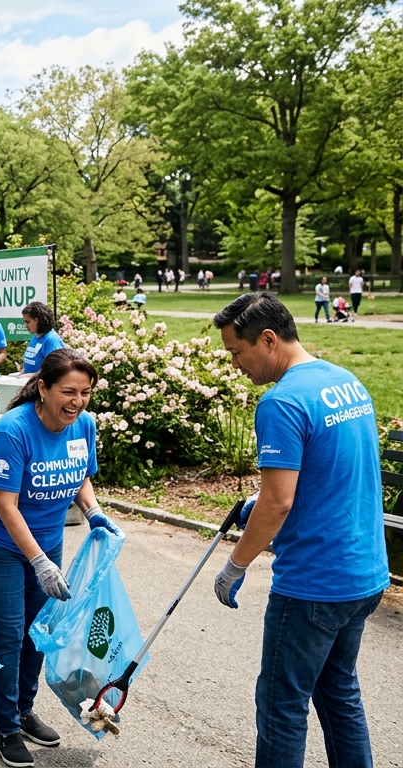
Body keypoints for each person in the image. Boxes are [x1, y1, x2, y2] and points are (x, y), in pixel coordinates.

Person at [210, 293, 387, 768]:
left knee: (281, 706)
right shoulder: (344, 381)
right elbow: (333, 470)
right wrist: (262, 502)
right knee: (338, 693)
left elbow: (278, 502)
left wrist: (235, 565)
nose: (235, 364)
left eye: (237, 351)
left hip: (314, 585)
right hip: (364, 574)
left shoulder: (281, 402)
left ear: (268, 340)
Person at [0, 349, 115, 767]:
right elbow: (5, 505)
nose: (77, 401)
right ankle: (6, 728)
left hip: (46, 540)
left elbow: (80, 474)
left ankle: (24, 711)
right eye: (68, 391)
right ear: (43, 389)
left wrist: (93, 512)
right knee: (10, 633)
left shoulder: (83, 425)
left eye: (85, 392)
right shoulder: (12, 432)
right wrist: (39, 562)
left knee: (38, 630)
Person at [19, 301, 64, 376]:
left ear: (37, 320)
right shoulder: (35, 337)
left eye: (28, 322)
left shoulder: (52, 339)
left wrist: (31, 376)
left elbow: (55, 368)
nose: (25, 325)